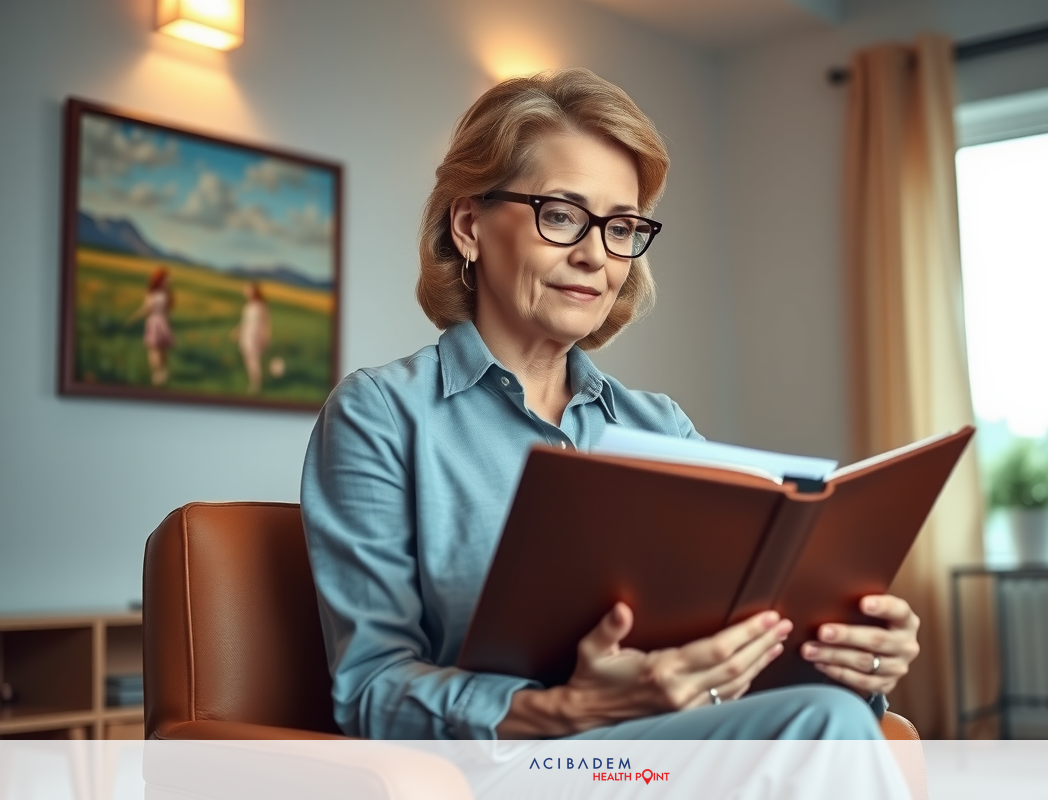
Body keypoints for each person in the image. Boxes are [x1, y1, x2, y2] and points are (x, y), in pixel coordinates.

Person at [301, 69, 921, 743]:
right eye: (562, 215)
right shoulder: (381, 414)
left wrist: (849, 658)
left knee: (833, 711)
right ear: (470, 225)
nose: (597, 255)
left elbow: (726, 654)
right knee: (822, 725)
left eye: (621, 226)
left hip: (664, 757)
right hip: (506, 772)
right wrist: (568, 710)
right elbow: (370, 689)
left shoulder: (662, 427)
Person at [126, 265, 173, 386]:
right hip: (158, 322)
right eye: (166, 278)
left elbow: (152, 309)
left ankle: (161, 372)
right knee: (157, 349)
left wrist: (133, 318)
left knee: (159, 350)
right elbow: (147, 309)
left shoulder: (162, 293)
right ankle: (159, 372)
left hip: (159, 321)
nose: (169, 280)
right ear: (160, 279)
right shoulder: (157, 294)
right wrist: (134, 317)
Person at [230, 281, 272, 394]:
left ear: (255, 292)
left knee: (254, 360)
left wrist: (266, 337)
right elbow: (244, 322)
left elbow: (266, 324)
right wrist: (237, 331)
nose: (247, 293)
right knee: (248, 359)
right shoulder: (247, 306)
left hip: (256, 336)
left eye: (249, 291)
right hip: (246, 335)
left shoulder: (261, 306)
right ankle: (253, 381)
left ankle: (256, 384)